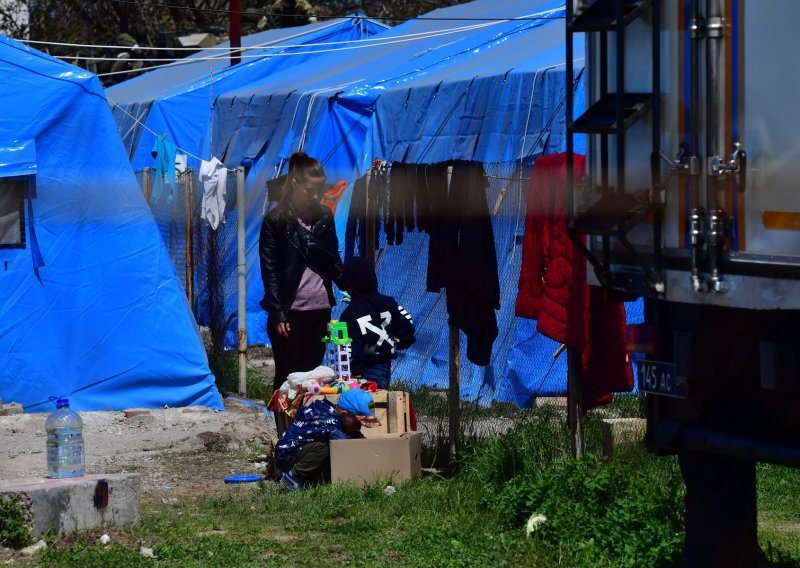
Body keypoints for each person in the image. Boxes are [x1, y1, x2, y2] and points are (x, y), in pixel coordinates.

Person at [259, 152, 344, 405]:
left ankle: (306, 435)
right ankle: (284, 434)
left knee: (313, 380)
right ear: (295, 184)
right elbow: (270, 269)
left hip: (319, 309)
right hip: (290, 312)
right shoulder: (276, 220)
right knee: (288, 379)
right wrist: (278, 313)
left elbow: (334, 261)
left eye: (320, 190)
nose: (316, 196)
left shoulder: (324, 218)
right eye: (310, 190)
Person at [275, 388, 380, 490]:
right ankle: (294, 477)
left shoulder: (338, 420)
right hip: (287, 455)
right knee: (323, 448)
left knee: (327, 452)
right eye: (358, 423)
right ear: (344, 415)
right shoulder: (327, 421)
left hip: (301, 453)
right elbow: (345, 444)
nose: (359, 427)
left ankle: (311, 480)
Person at [339, 257, 416, 389]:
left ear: (349, 284)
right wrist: (404, 340)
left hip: (361, 368)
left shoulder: (350, 313)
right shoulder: (388, 303)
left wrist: (355, 371)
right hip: (382, 365)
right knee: (379, 398)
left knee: (362, 404)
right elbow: (405, 324)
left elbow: (352, 344)